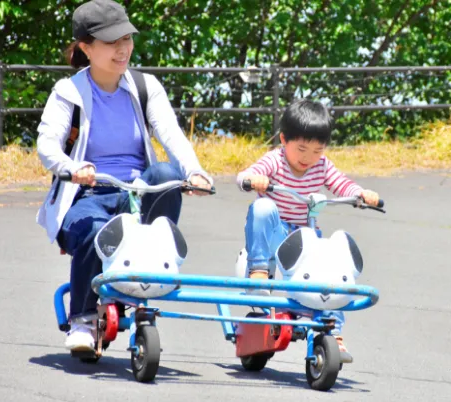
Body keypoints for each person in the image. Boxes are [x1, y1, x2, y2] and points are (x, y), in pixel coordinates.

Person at [35, 0, 213, 352]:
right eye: (112, 41)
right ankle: (83, 319)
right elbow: (46, 145)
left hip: (137, 191)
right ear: (86, 47)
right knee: (93, 229)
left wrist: (194, 171)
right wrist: (71, 168)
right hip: (87, 193)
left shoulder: (145, 86)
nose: (123, 49)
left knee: (166, 172)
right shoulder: (68, 92)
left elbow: (171, 134)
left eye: (127, 39)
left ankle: (147, 273)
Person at [236, 98, 380, 363]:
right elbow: (247, 173)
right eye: (301, 149)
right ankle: (258, 271)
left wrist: (360, 194)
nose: (308, 158)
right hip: (277, 235)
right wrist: (252, 179)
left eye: (317, 150)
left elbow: (342, 184)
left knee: (330, 271)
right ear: (283, 140)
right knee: (263, 207)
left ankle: (332, 329)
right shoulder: (274, 161)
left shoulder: (321, 166)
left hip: (305, 240)